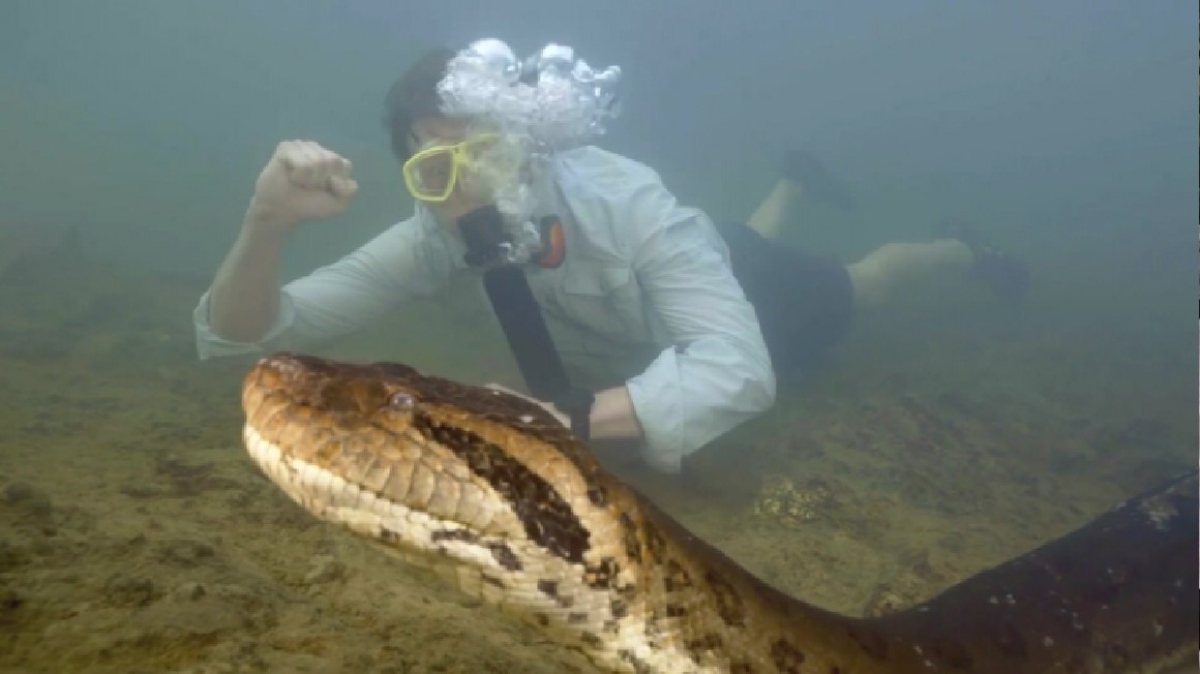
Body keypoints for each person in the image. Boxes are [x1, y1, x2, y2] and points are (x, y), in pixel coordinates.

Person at [194, 42, 1028, 474]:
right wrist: (267, 222)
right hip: (695, 275)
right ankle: (794, 183)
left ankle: (958, 247)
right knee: (748, 235)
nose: (467, 194)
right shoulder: (430, 235)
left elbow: (740, 370)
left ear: (533, 146)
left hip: (743, 282)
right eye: (435, 169)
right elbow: (245, 336)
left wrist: (559, 422)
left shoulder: (629, 205)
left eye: (487, 156)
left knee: (865, 285)